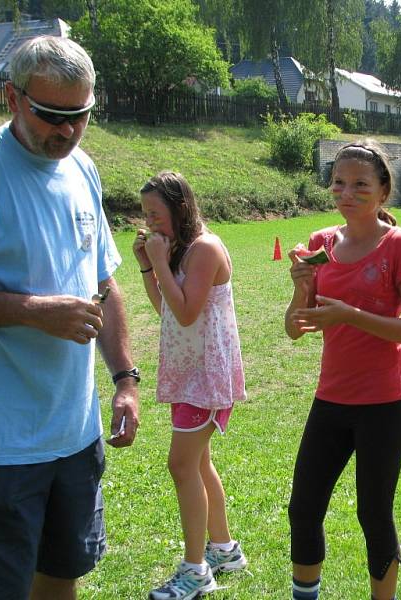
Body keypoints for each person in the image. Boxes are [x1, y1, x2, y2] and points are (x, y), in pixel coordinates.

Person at [0, 36, 140, 600]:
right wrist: (33, 312)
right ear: (12, 97)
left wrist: (125, 379)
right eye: (51, 115)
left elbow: (105, 281)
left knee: (60, 577)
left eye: (79, 116)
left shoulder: (83, 170)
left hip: (73, 434)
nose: (67, 131)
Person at [285, 139, 401, 600]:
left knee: (373, 513)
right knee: (303, 508)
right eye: (339, 183)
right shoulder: (321, 244)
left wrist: (350, 314)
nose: (347, 193)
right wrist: (300, 288)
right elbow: (295, 328)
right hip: (331, 399)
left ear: (384, 190)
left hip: (385, 404)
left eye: (361, 184)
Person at [134, 172, 247, 600]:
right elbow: (165, 307)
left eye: (156, 215)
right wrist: (150, 264)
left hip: (208, 375)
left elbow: (186, 314)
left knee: (181, 465)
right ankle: (224, 549)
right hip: (188, 371)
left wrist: (160, 261)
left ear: (179, 209)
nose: (150, 223)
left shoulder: (204, 249)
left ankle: (196, 570)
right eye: (145, 215)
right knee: (197, 463)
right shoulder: (180, 251)